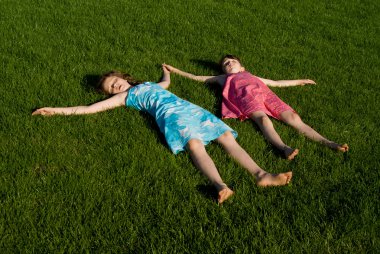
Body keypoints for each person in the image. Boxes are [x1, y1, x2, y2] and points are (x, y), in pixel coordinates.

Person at [32, 65, 292, 204]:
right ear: (113, 94)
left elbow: (165, 84)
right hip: (173, 118)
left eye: (114, 81)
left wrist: (166, 71)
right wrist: (55, 110)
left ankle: (261, 174)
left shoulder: (146, 84)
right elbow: (90, 109)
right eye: (111, 88)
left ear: (123, 76)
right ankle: (220, 185)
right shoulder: (126, 97)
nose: (115, 86)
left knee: (225, 137)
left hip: (194, 110)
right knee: (195, 145)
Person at [163, 56, 348, 160]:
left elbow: (276, 83)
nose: (229, 64)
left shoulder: (253, 76)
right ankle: (283, 147)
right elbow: (197, 77)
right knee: (263, 120)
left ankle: (330, 143)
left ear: (242, 66)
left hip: (268, 96)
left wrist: (300, 81)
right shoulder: (223, 79)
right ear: (223, 71)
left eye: (232, 61)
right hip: (248, 101)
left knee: (293, 119)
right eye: (225, 64)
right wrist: (175, 70)